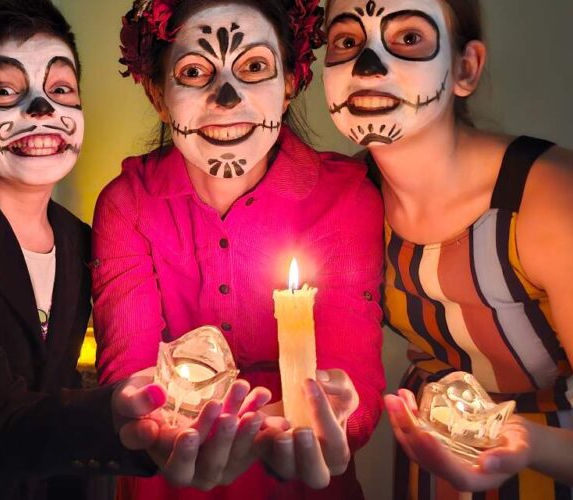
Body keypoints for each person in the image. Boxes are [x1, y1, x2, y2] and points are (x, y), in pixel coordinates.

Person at [0, 1, 269, 498]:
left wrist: (152, 437)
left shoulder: (82, 239)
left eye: (60, 89)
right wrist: (112, 413)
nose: (42, 110)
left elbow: (54, 402)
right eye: (4, 91)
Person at [92, 0, 387, 498]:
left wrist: (339, 420)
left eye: (253, 67)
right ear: (158, 96)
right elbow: (129, 378)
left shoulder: (345, 198)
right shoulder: (128, 204)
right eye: (193, 72)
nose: (226, 97)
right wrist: (148, 426)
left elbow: (353, 375)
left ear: (290, 82)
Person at [321, 0, 573, 496]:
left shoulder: (551, 197)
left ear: (465, 69)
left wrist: (524, 443)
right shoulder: (350, 196)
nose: (367, 66)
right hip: (429, 465)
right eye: (347, 41)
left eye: (409, 38)